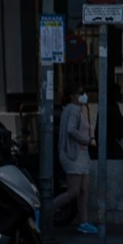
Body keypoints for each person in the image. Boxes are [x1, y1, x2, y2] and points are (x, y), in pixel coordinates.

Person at [52, 83, 96, 234]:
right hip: (73, 155)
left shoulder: (75, 110)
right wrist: (86, 140)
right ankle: (45, 212)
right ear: (72, 96)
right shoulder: (73, 110)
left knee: (84, 189)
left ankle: (83, 222)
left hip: (81, 155)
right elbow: (71, 130)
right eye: (80, 92)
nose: (83, 95)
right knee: (74, 191)